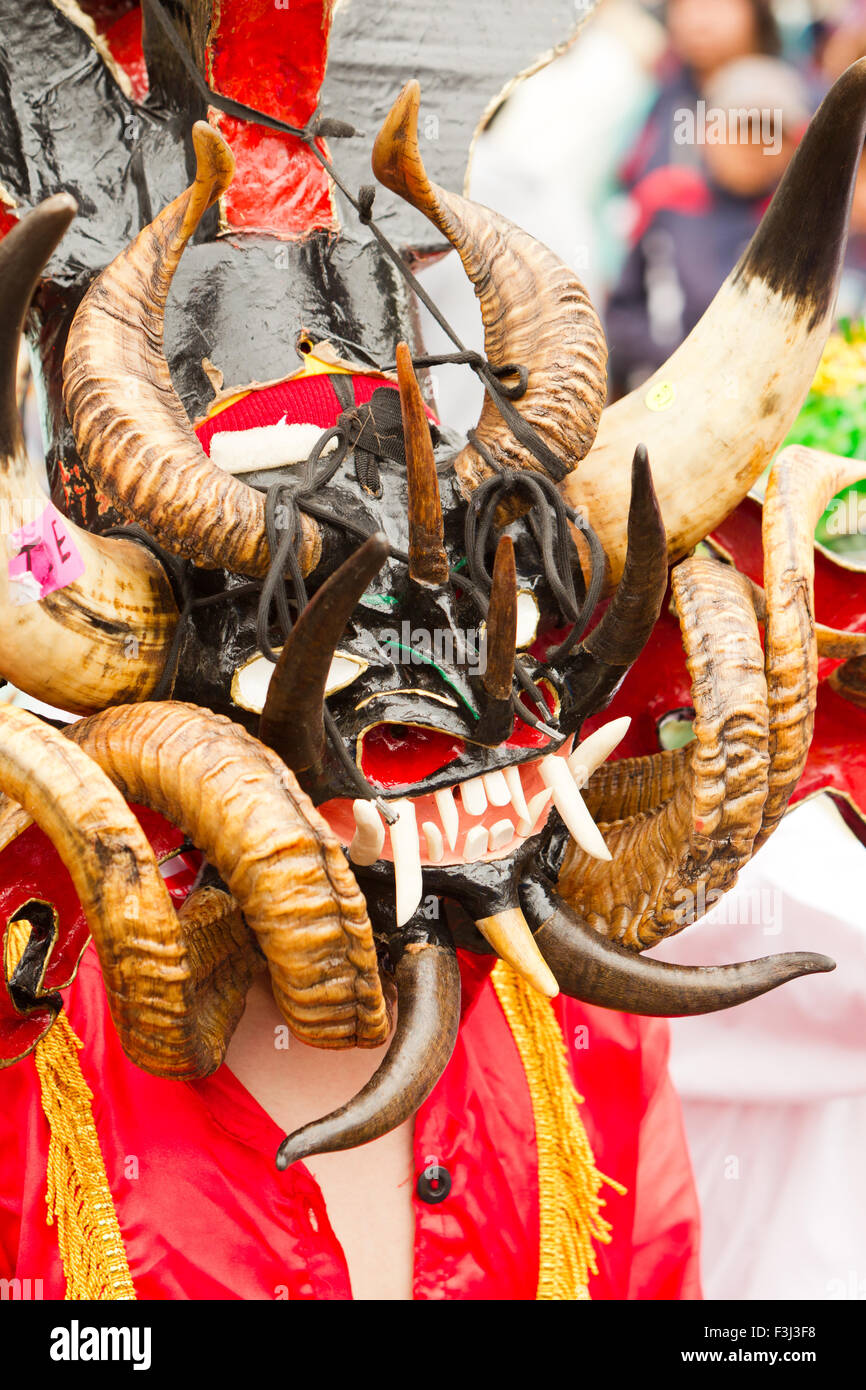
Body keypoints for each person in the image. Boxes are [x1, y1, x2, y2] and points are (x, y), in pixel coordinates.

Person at [606, 55, 809, 394]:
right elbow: (621, 313)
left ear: (793, 146)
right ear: (709, 132)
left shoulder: (802, 225)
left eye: (769, 133)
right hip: (658, 397)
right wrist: (682, 368)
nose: (753, 146)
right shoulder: (666, 200)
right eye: (742, 129)